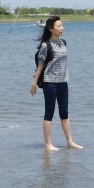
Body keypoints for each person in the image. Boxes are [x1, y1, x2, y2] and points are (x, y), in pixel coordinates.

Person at [29, 16, 83, 151]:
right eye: (59, 26)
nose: (62, 28)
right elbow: (40, 66)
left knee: (64, 113)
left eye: (62, 25)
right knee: (49, 113)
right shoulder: (45, 45)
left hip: (63, 82)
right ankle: (48, 144)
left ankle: (70, 142)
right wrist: (33, 84)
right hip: (50, 83)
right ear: (51, 28)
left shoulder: (63, 43)